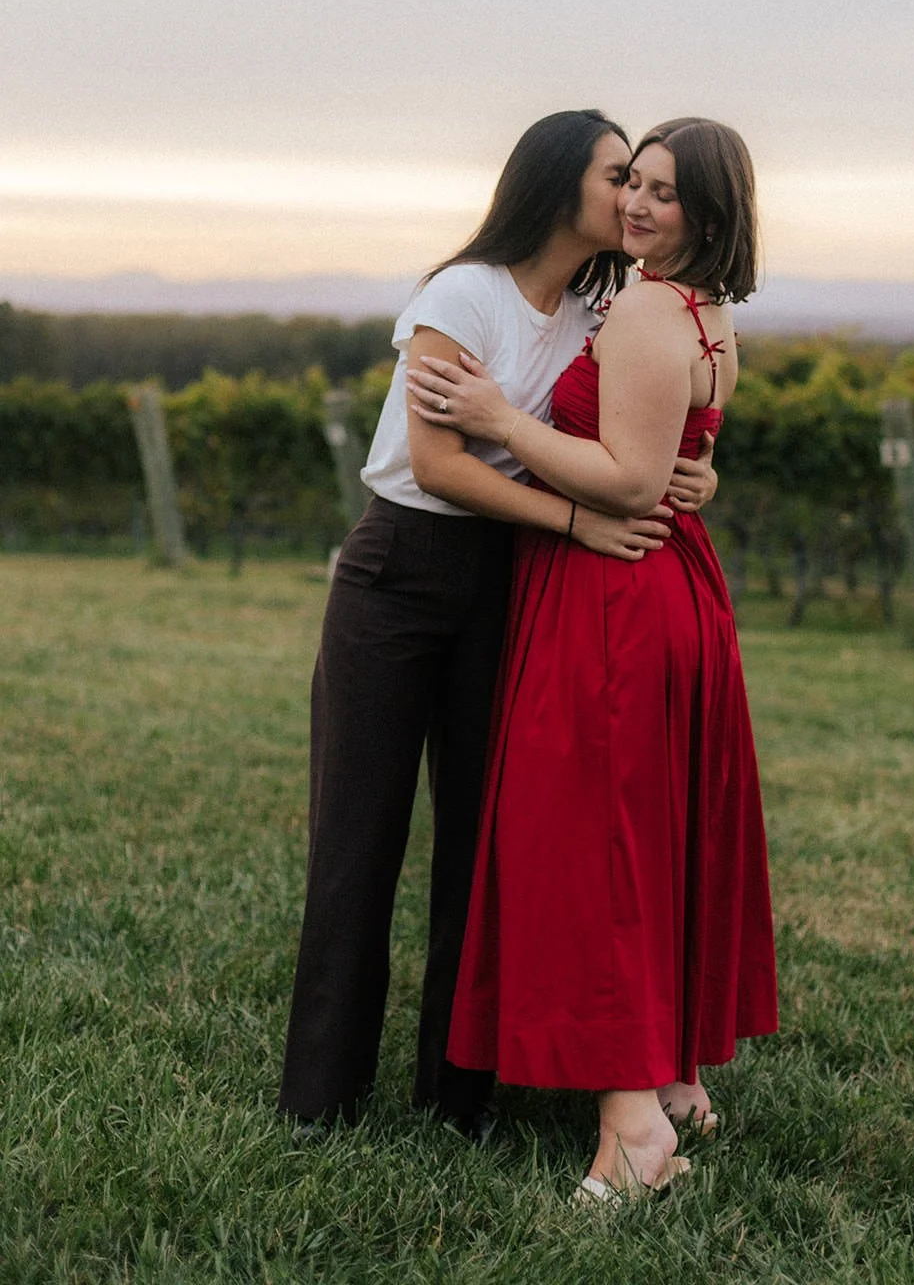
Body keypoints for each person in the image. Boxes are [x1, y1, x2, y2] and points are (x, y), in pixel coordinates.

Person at [277, 110, 718, 1141]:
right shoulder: (461, 294)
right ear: (561, 182)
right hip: (399, 572)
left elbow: (645, 426)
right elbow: (437, 465)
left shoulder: (605, 307)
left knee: (482, 849)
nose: (634, 197)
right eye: (618, 175)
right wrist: (578, 518)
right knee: (358, 838)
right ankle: (318, 1101)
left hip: (511, 582)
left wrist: (692, 468)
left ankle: (460, 1098)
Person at [407, 117, 779, 1199]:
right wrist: (683, 471)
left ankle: (634, 1128)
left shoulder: (654, 312)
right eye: (635, 184)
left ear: (708, 214)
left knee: (596, 846)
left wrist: (492, 415)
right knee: (657, 832)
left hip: (614, 592)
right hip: (673, 584)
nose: (638, 206)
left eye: (663, 193)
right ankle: (674, 1078)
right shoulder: (704, 316)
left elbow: (623, 480)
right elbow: (678, 456)